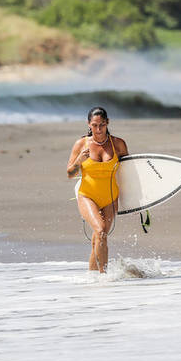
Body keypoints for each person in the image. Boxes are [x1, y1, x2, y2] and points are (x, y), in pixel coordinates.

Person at [65, 106, 129, 272]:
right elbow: (70, 174)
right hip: (88, 196)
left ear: (107, 123)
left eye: (102, 125)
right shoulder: (81, 144)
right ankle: (104, 277)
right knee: (100, 231)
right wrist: (79, 160)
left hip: (110, 197)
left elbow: (129, 171)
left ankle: (93, 277)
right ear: (88, 124)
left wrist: (137, 200)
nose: (98, 129)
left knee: (100, 238)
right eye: (94, 125)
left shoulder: (118, 144)